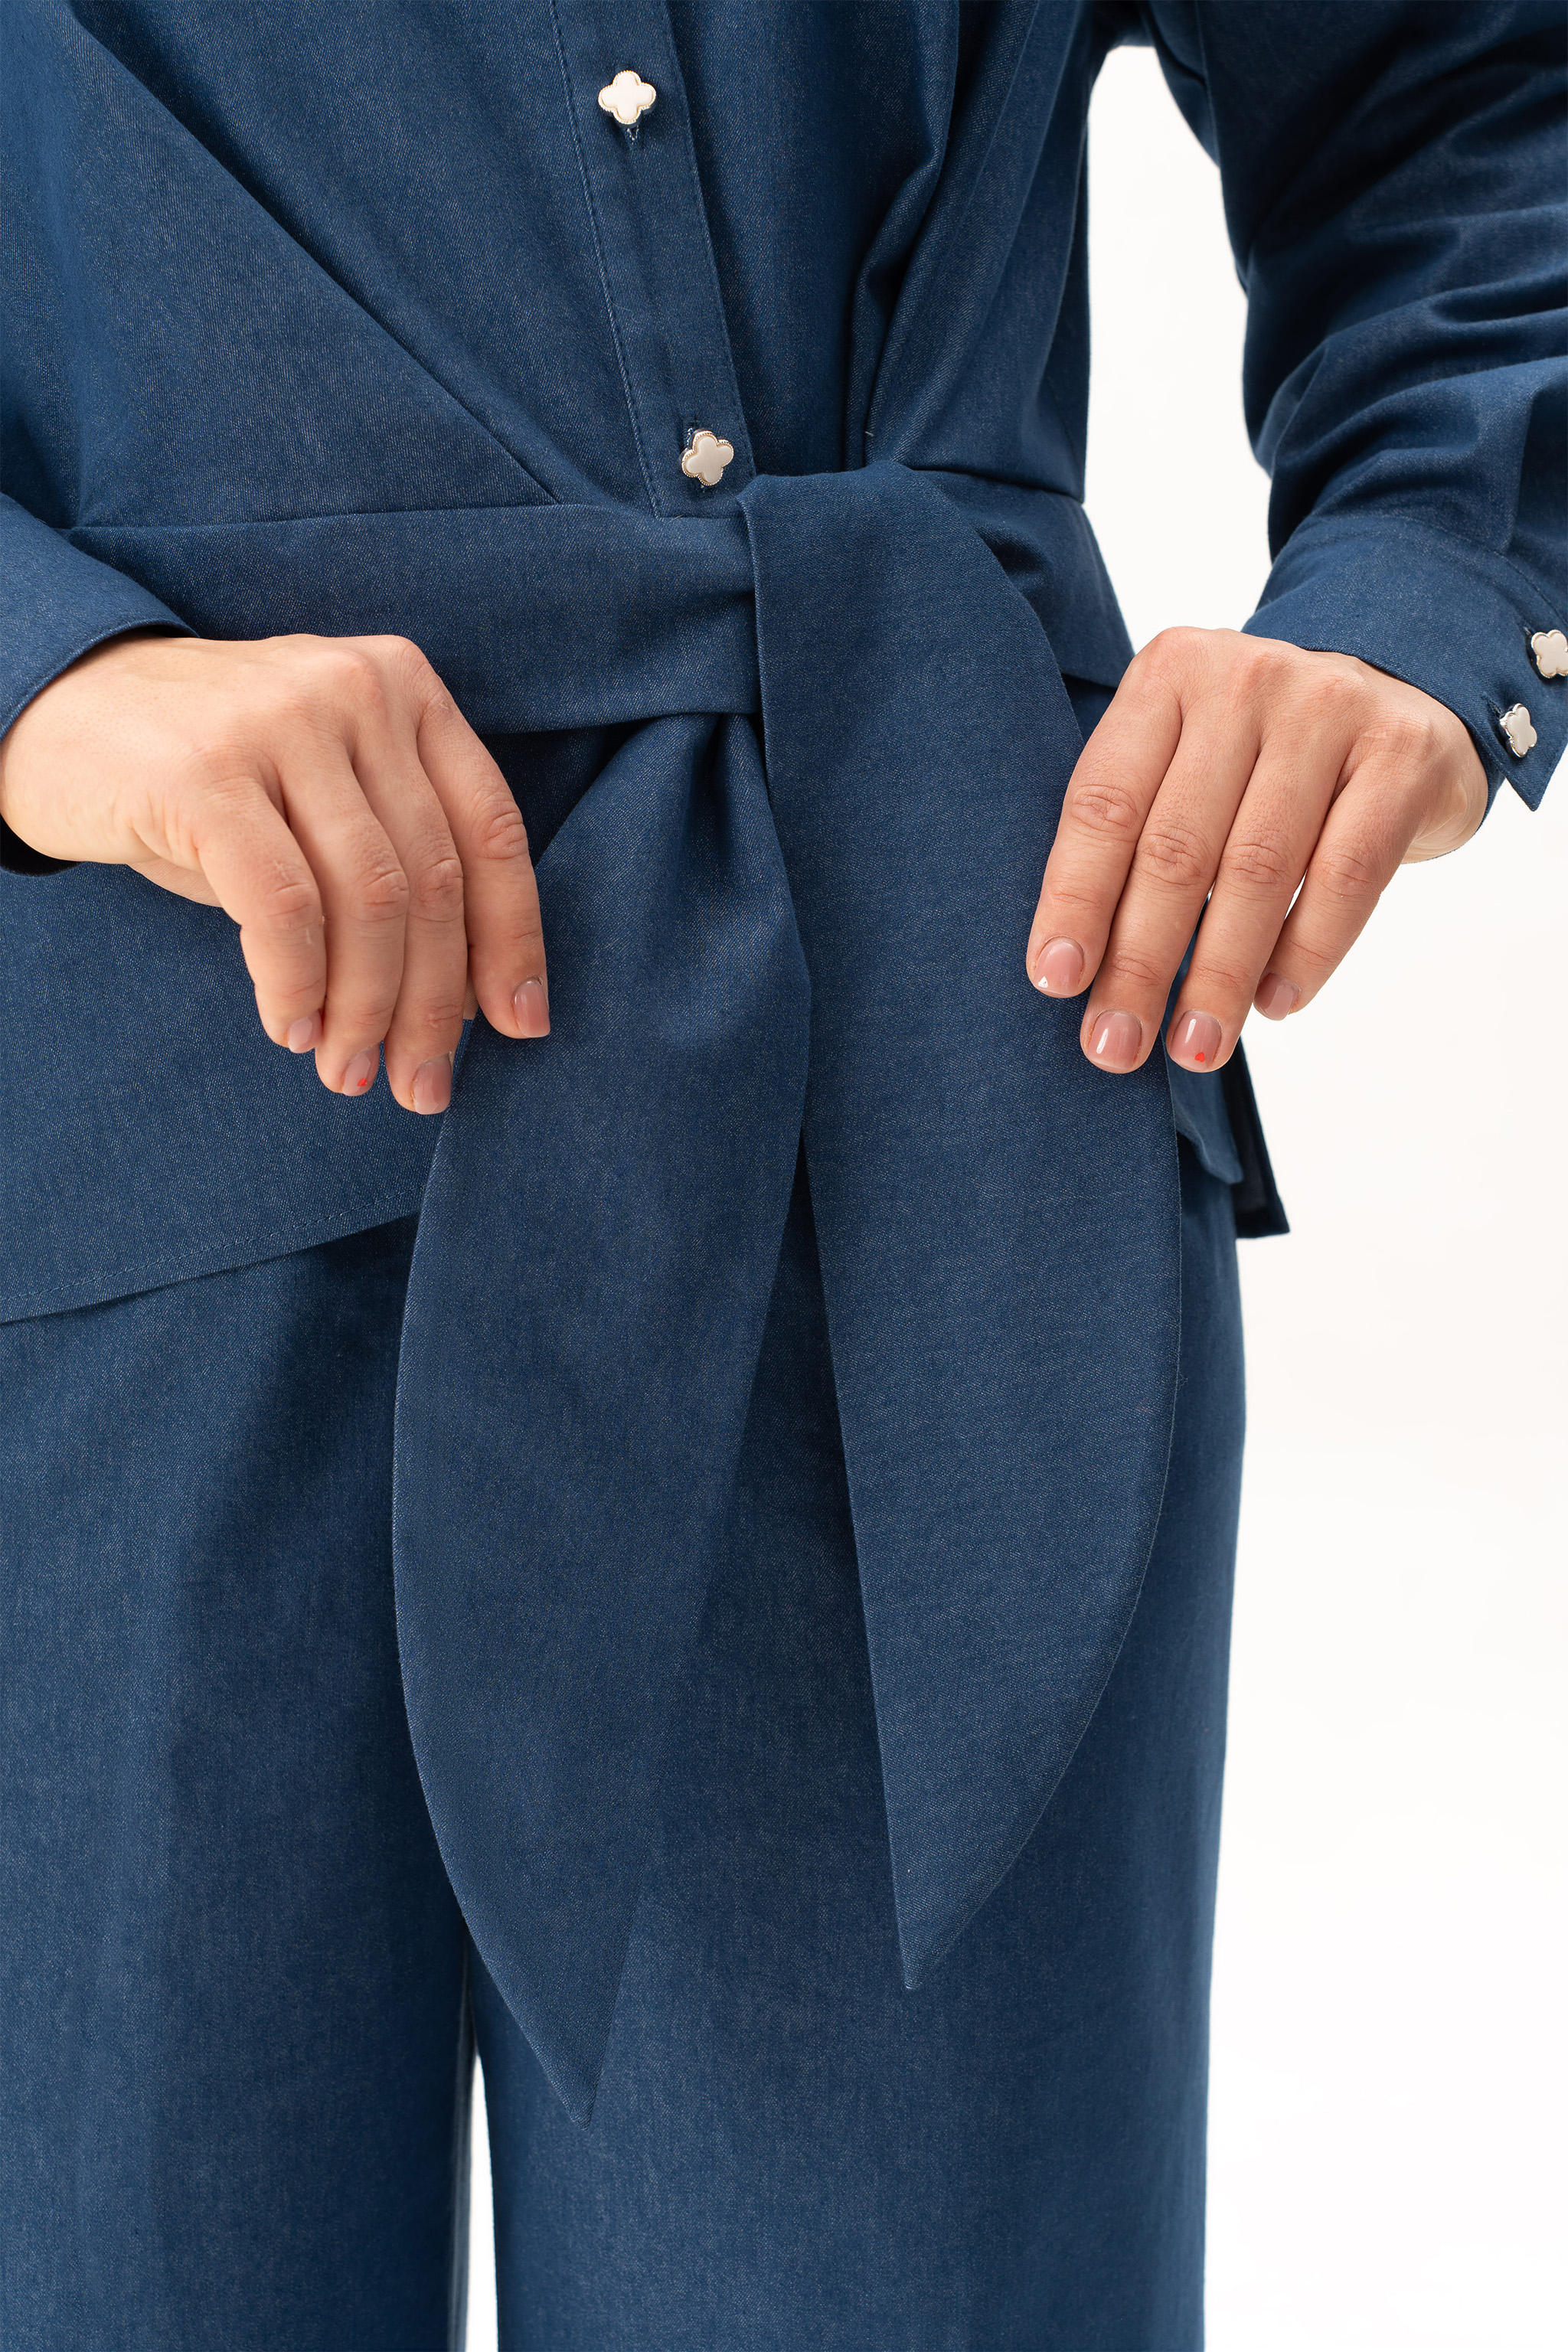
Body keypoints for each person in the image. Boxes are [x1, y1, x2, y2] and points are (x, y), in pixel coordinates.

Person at [1, 4, 1560, 2344]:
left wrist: (1428, 592)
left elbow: (1469, 90)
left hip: (915, 1094)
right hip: (107, 1122)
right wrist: (47, 672)